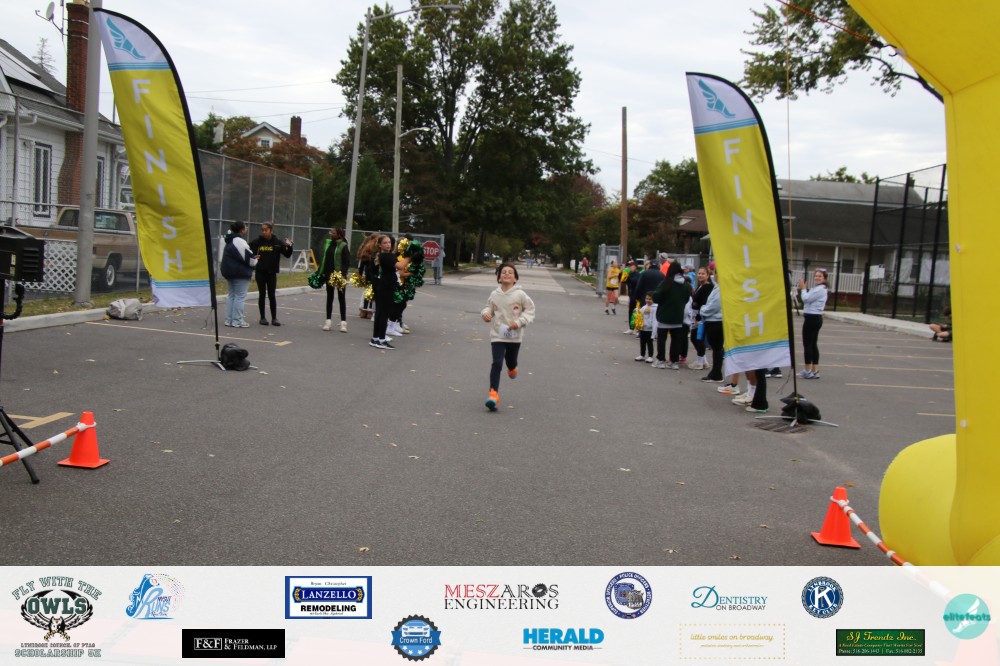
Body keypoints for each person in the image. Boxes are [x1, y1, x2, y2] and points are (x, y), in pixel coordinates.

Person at [481, 263, 535, 412]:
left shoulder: (520, 295)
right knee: (497, 363)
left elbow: (530, 310)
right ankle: (493, 394)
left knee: (511, 361)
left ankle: (512, 368)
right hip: (497, 335)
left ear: (515, 279)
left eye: (510, 272)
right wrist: (486, 314)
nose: (506, 274)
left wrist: (519, 322)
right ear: (499, 278)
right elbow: (489, 307)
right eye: (503, 272)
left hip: (514, 336)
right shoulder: (494, 294)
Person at [249, 222, 293, 326]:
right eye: (262, 230)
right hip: (260, 271)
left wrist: (290, 247)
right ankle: (262, 318)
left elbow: (287, 254)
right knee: (262, 294)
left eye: (266, 230)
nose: (264, 232)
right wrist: (253, 258)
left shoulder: (277, 242)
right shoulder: (257, 242)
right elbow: (248, 251)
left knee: (271, 295)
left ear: (271, 230)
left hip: (272, 272)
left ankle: (274, 318)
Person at [650, 261, 690, 369]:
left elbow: (656, 297)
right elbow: (686, 299)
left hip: (664, 315)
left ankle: (661, 360)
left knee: (662, 339)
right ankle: (674, 361)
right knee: (676, 340)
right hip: (678, 316)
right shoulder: (685, 285)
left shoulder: (666, 283)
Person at [370, 235, 407, 350]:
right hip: (386, 287)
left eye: (389, 242)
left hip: (383, 286)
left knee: (380, 313)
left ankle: (375, 338)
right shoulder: (386, 256)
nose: (388, 244)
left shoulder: (386, 255)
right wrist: (410, 256)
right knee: (384, 314)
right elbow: (400, 266)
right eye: (385, 243)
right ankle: (381, 340)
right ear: (380, 245)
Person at [220, 221, 257, 328]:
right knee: (240, 296)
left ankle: (229, 320)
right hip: (239, 272)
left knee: (232, 295)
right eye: (245, 226)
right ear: (242, 229)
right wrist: (255, 260)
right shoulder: (239, 241)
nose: (247, 228)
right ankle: (237, 320)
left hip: (229, 271)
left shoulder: (229, 239)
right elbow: (250, 259)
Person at [798, 268, 829, 379]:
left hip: (812, 318)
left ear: (824, 278)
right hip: (815, 318)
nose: (817, 277)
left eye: (820, 276)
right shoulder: (819, 288)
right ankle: (815, 370)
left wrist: (803, 289)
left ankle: (808, 370)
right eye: (816, 275)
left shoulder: (820, 289)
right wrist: (805, 289)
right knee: (813, 344)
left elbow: (806, 299)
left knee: (807, 344)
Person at [321, 227, 351, 332]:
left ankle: (343, 323)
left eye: (333, 232)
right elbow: (325, 259)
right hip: (329, 275)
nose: (331, 234)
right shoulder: (329, 245)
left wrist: (341, 274)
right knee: (329, 297)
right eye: (330, 232)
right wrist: (321, 272)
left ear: (339, 235)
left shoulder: (343, 245)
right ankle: (328, 321)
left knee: (341, 298)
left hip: (339, 276)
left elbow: (346, 262)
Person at [688, 266, 713, 370]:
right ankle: (704, 361)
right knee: (696, 338)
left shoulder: (708, 287)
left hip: (701, 317)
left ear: (707, 275)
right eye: (699, 273)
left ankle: (700, 361)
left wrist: (698, 318)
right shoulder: (700, 286)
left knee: (697, 338)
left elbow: (703, 304)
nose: (700, 275)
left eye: (703, 274)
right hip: (696, 315)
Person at [634, 293, 656, 363]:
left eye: (650, 299)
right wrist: (637, 311)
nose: (648, 300)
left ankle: (650, 356)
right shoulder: (644, 307)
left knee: (649, 343)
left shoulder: (655, 308)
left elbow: (655, 320)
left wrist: (654, 329)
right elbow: (640, 314)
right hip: (642, 328)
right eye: (647, 299)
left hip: (650, 329)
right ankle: (642, 355)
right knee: (642, 342)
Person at [624, 259, 641, 334]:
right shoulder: (629, 274)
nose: (629, 267)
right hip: (631, 296)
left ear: (635, 266)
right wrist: (622, 273)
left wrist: (628, 277)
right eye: (629, 266)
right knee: (631, 311)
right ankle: (631, 328)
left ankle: (637, 329)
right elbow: (623, 280)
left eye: (631, 266)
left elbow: (634, 281)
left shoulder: (638, 274)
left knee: (637, 312)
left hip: (637, 296)